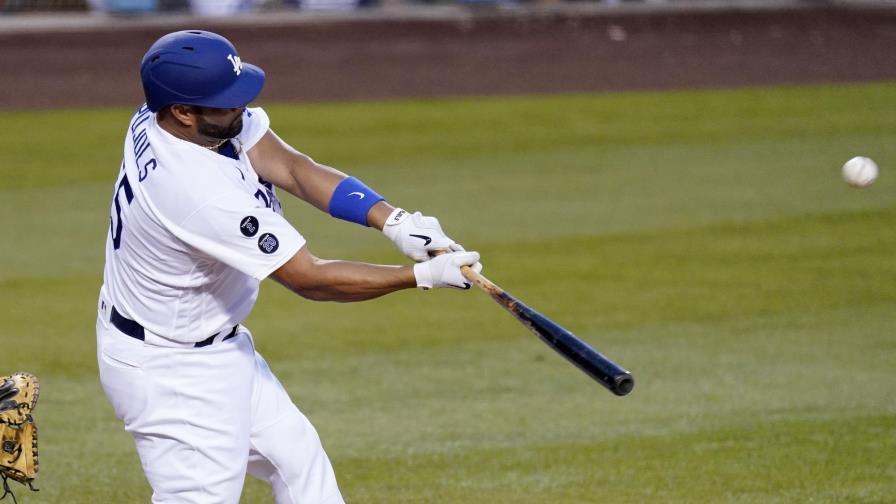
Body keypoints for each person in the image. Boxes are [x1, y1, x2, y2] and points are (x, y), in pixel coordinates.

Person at [96, 30, 481, 504]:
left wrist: (395, 222)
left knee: (298, 464)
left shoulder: (173, 117)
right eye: (225, 102)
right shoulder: (197, 190)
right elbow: (308, 277)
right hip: (172, 371)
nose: (240, 107)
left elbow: (293, 167)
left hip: (211, 346)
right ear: (183, 111)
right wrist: (419, 276)